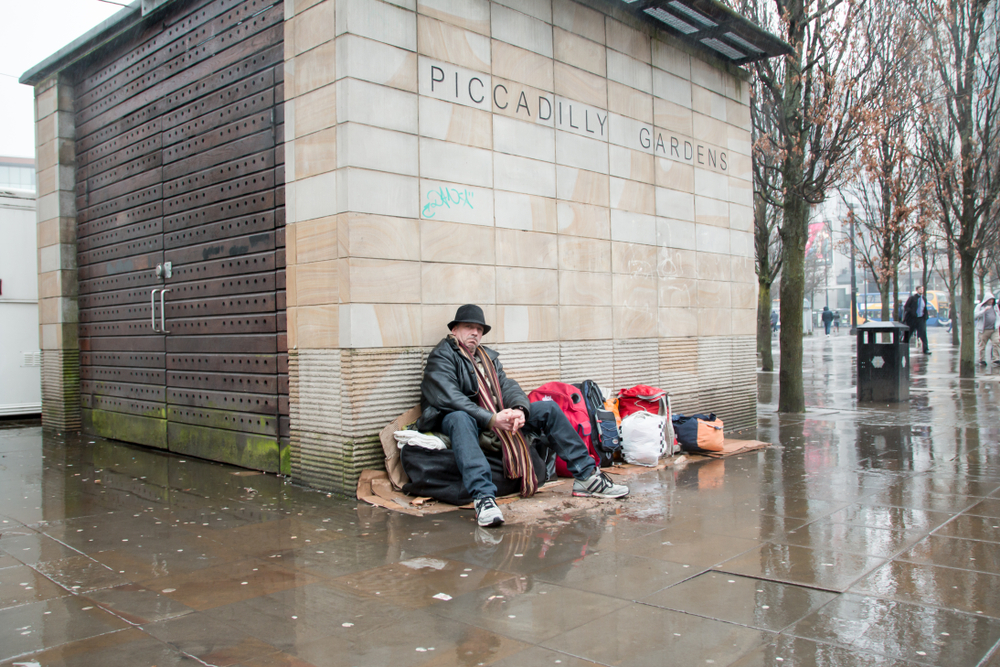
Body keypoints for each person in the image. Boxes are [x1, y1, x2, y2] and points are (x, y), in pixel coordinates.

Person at [416, 305, 629, 527]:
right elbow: (448, 397)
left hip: (493, 415)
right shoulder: (442, 356)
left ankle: (587, 477)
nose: (475, 333)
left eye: (479, 329)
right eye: (469, 327)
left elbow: (507, 386)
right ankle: (483, 498)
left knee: (548, 409)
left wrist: (519, 409)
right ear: (455, 330)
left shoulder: (487, 357)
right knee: (459, 417)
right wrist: (491, 418)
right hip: (459, 418)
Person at [974, 292, 1000, 367]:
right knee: (982, 345)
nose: (991, 301)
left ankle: (996, 359)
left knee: (996, 343)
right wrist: (984, 310)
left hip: (994, 329)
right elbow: (975, 315)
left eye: (992, 300)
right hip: (984, 330)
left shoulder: (995, 306)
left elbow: (997, 315)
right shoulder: (980, 306)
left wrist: (997, 324)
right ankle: (982, 360)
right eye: (989, 300)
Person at [903, 286, 931, 354]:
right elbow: (906, 307)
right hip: (912, 319)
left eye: (922, 289)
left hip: (920, 319)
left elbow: (924, 308)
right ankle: (903, 348)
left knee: (923, 334)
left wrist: (925, 316)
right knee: (908, 334)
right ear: (917, 290)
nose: (921, 290)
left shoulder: (924, 298)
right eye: (920, 289)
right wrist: (912, 311)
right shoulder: (912, 298)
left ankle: (925, 349)